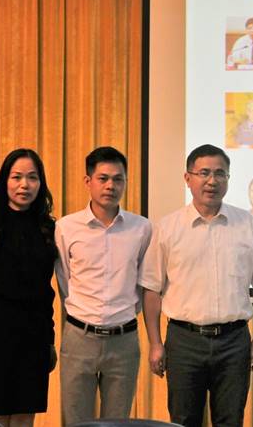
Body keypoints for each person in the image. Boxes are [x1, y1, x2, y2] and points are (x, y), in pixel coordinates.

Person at [140, 144, 253, 427]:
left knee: (230, 420)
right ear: (188, 178)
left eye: (220, 174)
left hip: (234, 341)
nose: (212, 181)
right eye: (204, 173)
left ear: (228, 178)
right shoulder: (168, 227)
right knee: (184, 420)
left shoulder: (246, 224)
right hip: (184, 341)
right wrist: (155, 343)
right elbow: (151, 289)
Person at [55, 146, 152, 425]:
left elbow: (144, 282)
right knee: (76, 421)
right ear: (88, 181)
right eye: (103, 178)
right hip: (79, 336)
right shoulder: (66, 227)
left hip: (124, 340)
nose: (111, 186)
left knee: (117, 422)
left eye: (118, 179)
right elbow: (64, 279)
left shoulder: (142, 228)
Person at [0, 148, 57, 427]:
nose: (24, 185)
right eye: (16, 177)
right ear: (4, 181)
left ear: (40, 183)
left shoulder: (48, 227)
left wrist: (50, 340)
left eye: (32, 177)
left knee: (25, 416)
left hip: (34, 337)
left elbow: (46, 292)